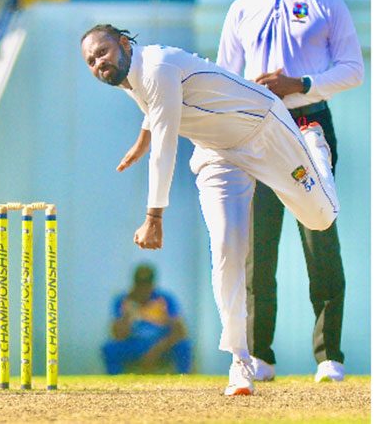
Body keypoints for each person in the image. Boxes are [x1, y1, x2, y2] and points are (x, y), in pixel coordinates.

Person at [80, 23, 339, 395]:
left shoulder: (156, 66)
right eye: (90, 61)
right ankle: (240, 362)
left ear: (123, 43)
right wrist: (141, 140)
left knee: (320, 218)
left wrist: (154, 217)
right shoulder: (128, 80)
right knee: (226, 251)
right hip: (217, 154)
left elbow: (166, 144)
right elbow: (154, 112)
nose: (98, 63)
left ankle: (314, 146)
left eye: (102, 52)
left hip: (263, 128)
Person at [215, 0, 364, 383]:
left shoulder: (325, 1)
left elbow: (352, 70)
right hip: (257, 132)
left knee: (319, 235)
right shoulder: (242, 7)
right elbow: (224, 75)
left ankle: (328, 355)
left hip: (308, 126)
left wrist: (297, 83)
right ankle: (260, 354)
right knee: (258, 244)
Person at [101, 263, 192, 375]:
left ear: (153, 284)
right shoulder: (122, 300)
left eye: (147, 284)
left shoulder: (164, 300)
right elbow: (117, 335)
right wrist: (127, 316)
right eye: (140, 284)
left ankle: (183, 379)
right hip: (134, 344)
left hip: (161, 344)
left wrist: (157, 349)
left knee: (184, 346)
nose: (143, 288)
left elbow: (181, 331)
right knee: (109, 348)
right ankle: (115, 382)